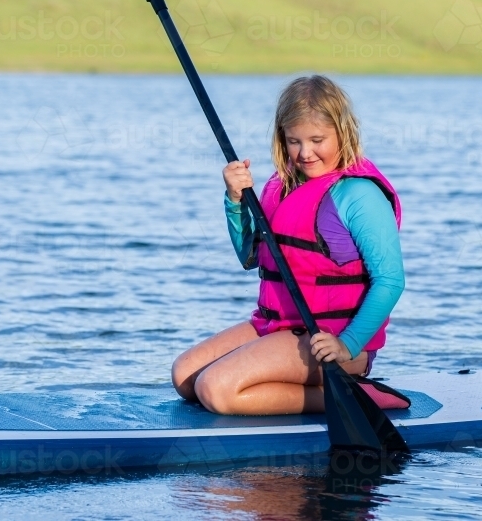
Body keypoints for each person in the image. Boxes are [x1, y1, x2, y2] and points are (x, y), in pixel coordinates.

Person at [171, 75, 405, 415]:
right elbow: (251, 257)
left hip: (332, 339)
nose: (305, 152)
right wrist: (235, 201)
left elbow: (391, 280)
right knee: (185, 377)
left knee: (216, 390)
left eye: (317, 140)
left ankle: (358, 396)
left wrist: (347, 346)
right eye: (294, 141)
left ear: (344, 132)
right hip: (276, 326)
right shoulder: (280, 186)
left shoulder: (360, 195)